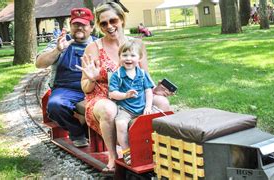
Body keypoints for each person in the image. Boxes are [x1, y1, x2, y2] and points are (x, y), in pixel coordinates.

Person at [77, 2, 172, 173]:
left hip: (133, 95)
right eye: (104, 23)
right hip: (102, 96)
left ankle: (161, 150)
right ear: (99, 25)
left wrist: (156, 90)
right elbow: (85, 88)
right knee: (109, 109)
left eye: (113, 20)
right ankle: (113, 156)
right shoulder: (93, 48)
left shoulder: (136, 45)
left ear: (121, 19)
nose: (109, 26)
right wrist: (91, 79)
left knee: (162, 103)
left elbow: (144, 76)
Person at [35, 8, 96, 148]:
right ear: (70, 25)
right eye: (76, 24)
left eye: (84, 24)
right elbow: (39, 64)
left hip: (93, 88)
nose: (79, 27)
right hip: (66, 89)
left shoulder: (98, 44)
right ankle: (77, 132)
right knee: (55, 106)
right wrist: (58, 50)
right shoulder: (60, 42)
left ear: (91, 27)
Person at [107, 39, 154, 165]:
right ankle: (126, 151)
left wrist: (148, 106)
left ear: (139, 58)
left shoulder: (143, 74)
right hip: (125, 109)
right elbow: (112, 93)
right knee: (121, 124)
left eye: (132, 55)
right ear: (120, 57)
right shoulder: (117, 75)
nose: (128, 58)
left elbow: (148, 91)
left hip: (143, 108)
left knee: (154, 123)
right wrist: (125, 95)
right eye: (125, 55)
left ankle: (154, 149)